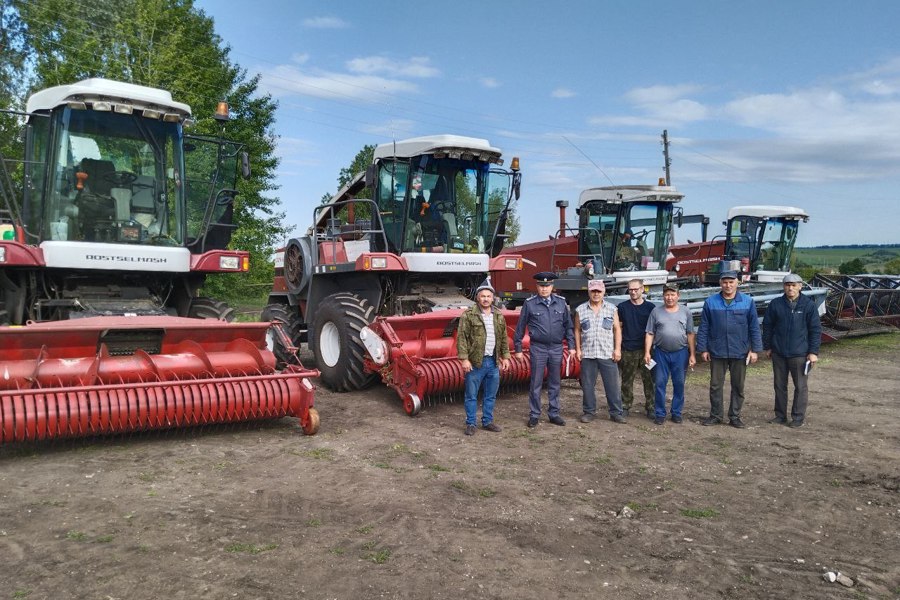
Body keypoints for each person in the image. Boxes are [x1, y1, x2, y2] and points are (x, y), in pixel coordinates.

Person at [696, 271, 763, 428]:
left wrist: (755, 350)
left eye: (731, 282)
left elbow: (754, 327)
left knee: (738, 386)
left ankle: (735, 416)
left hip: (740, 351)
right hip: (717, 351)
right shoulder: (711, 302)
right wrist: (703, 349)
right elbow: (704, 327)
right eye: (725, 282)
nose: (728, 285)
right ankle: (716, 415)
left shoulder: (747, 302)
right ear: (720, 283)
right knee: (715, 385)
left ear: (737, 283)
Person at [514, 272, 575, 428]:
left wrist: (572, 346)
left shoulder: (561, 303)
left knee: (555, 382)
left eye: (547, 286)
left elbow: (568, 326)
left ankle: (554, 413)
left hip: (556, 348)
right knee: (536, 382)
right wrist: (518, 348)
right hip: (538, 348)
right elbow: (520, 327)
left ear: (552, 287)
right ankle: (534, 414)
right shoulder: (530, 304)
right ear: (537, 287)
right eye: (541, 286)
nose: (544, 289)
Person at [762, 273, 822, 428]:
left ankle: (797, 417)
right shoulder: (775, 304)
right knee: (779, 385)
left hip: (800, 354)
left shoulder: (808, 305)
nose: (790, 288)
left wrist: (813, 352)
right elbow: (767, 326)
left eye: (794, 285)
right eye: (788, 285)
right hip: (779, 352)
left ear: (800, 286)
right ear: (784, 286)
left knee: (800, 387)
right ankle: (780, 415)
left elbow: (815, 330)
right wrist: (768, 346)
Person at [457, 279, 512, 436]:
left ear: (493, 298)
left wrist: (505, 357)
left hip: (492, 362)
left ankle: (487, 421)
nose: (486, 299)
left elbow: (502, 337)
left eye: (488, 296)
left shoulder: (498, 315)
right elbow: (462, 338)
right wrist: (464, 359)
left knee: (490, 395)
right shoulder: (469, 315)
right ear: (477, 298)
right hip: (475, 363)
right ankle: (471, 423)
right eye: (483, 296)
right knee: (471, 395)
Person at [644, 283, 696, 425]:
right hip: (661, 353)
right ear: (663, 296)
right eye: (667, 294)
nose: (670, 297)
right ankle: (660, 413)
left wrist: (692, 354)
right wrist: (647, 352)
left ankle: (676, 412)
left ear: (678, 296)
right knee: (660, 383)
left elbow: (690, 333)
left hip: (681, 353)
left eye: (673, 294)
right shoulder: (656, 312)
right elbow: (650, 333)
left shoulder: (686, 312)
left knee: (679, 383)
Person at [574, 279, 624, 423]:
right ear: (589, 292)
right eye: (593, 291)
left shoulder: (611, 309)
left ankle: (616, 412)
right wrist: (578, 349)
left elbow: (617, 330)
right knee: (588, 385)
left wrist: (617, 349)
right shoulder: (580, 309)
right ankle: (589, 412)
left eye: (599, 291)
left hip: (607, 353)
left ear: (603, 292)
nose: (596, 294)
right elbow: (577, 330)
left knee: (612, 385)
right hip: (588, 353)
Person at [617, 278, 656, 419]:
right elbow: (618, 328)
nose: (633, 292)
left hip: (647, 351)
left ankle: (651, 407)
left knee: (650, 379)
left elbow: (653, 330)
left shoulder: (651, 308)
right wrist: (617, 347)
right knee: (627, 380)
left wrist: (650, 349)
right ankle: (625, 405)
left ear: (642, 289)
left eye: (635, 289)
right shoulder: (622, 307)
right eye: (630, 290)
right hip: (628, 349)